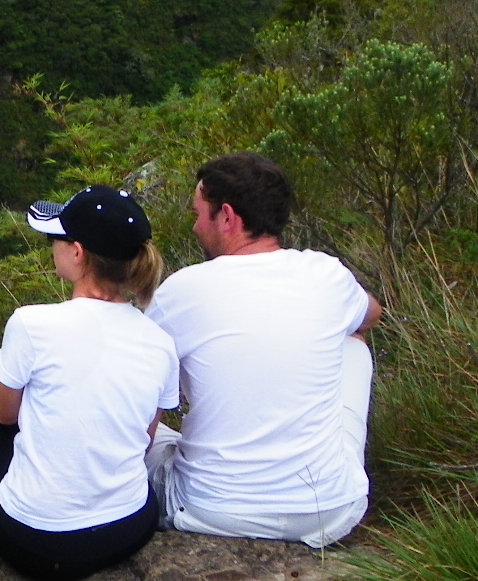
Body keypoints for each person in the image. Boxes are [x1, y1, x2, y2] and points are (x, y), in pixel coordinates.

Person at [0, 185, 179, 581]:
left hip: (39, 544)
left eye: (57, 237)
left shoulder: (32, 324)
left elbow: (1, 416)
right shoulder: (160, 342)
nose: (51, 246)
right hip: (128, 530)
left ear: (77, 252)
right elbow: (144, 436)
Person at [143, 154, 381, 548]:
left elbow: (132, 364)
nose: (194, 225)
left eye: (199, 213)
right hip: (328, 511)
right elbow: (371, 314)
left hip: (210, 510)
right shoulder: (326, 273)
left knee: (157, 437)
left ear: (228, 217)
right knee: (352, 342)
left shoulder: (184, 290)